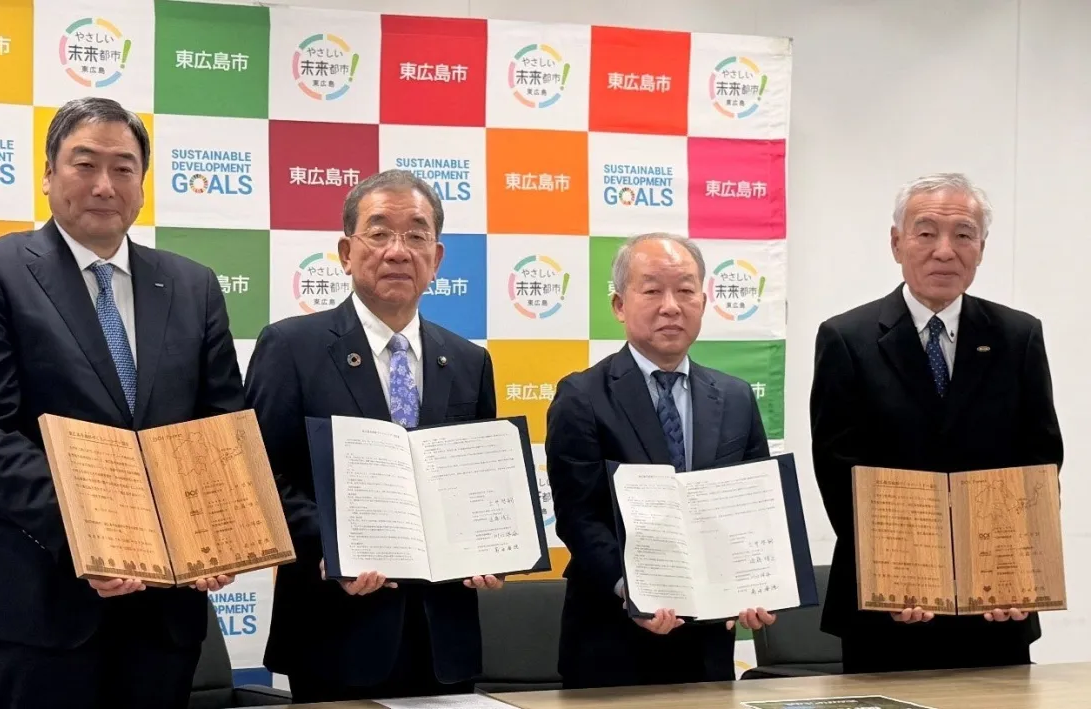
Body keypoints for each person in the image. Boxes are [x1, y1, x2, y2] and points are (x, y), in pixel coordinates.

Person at [0, 97, 244, 709]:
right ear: (48, 174)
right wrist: (92, 538)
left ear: (142, 184)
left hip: (164, 608)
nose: (105, 185)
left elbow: (220, 424)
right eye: (84, 164)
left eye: (124, 168)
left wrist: (215, 530)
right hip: (36, 594)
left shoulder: (194, 285)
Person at [246, 169, 502, 704]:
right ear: (346, 252)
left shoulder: (469, 361)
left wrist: (490, 545)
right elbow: (261, 477)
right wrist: (334, 546)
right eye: (379, 232)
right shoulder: (292, 347)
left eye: (416, 235)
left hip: (443, 636)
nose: (398, 251)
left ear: (436, 257)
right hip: (335, 629)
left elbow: (477, 486)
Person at [810, 172, 1063, 674]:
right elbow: (838, 471)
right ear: (896, 243)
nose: (945, 251)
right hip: (885, 609)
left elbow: (1040, 460)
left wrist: (1017, 571)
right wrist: (891, 571)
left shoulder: (1018, 336)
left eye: (964, 234)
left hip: (997, 606)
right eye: (926, 232)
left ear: (981, 249)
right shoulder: (847, 338)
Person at [545, 232, 776, 689]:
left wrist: (757, 585)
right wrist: (633, 592)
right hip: (612, 643)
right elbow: (579, 518)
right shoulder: (582, 396)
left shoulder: (735, 396)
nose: (671, 306)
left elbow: (755, 510)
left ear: (703, 301)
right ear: (619, 305)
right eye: (652, 290)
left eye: (686, 290)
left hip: (708, 645)